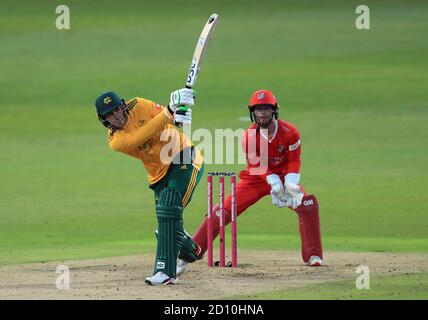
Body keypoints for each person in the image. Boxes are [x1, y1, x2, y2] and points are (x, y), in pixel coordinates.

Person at [177, 89, 323, 274]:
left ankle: (314, 255)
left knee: (308, 205)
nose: (262, 113)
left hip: (285, 177)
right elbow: (257, 166)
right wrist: (273, 183)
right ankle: (193, 251)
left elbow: (294, 160)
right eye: (258, 109)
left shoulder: (290, 132)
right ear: (252, 112)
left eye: (266, 109)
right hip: (255, 179)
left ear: (275, 111)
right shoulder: (249, 136)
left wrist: (290, 184)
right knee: (222, 211)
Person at [94, 88, 203, 285]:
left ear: (124, 106)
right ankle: (191, 250)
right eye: (109, 114)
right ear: (104, 120)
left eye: (117, 109)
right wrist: (170, 110)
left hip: (184, 155)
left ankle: (165, 272)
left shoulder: (139, 104)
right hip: (158, 173)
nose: (116, 116)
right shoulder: (115, 140)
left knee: (168, 211)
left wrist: (178, 117)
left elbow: (163, 117)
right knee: (166, 224)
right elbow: (141, 136)